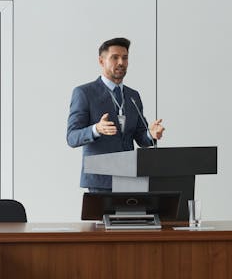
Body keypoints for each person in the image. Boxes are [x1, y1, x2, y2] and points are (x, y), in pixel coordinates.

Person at [66, 37, 165, 191]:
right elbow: (72, 137)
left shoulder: (133, 96)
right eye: (115, 57)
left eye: (125, 58)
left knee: (136, 216)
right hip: (100, 180)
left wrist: (151, 134)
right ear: (101, 61)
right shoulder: (84, 93)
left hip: (130, 177)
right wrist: (96, 129)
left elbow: (141, 137)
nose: (121, 62)